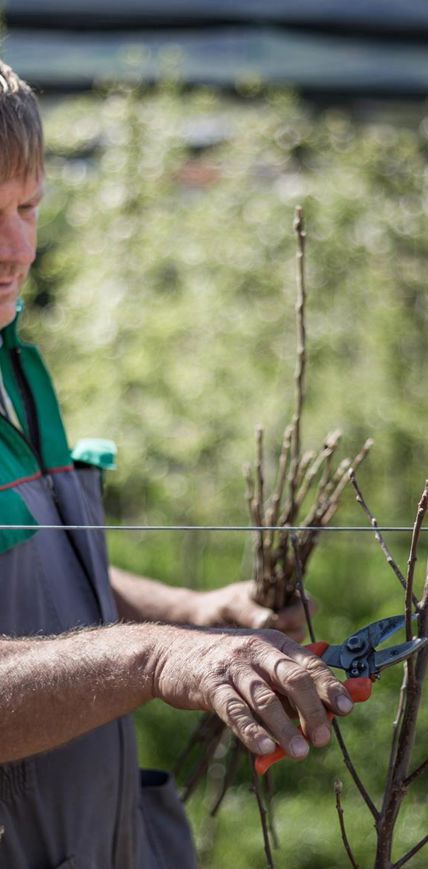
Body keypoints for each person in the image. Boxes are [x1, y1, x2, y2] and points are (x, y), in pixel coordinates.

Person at [0, 60, 353, 868]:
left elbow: (40, 575)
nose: (15, 249)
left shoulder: (15, 371)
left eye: (27, 207)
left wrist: (196, 615)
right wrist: (158, 656)